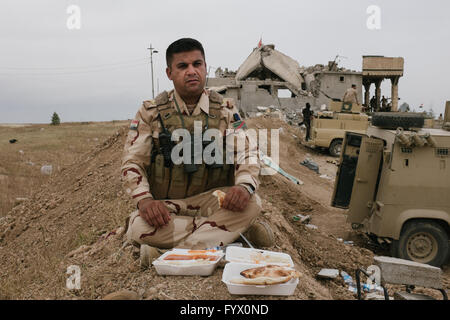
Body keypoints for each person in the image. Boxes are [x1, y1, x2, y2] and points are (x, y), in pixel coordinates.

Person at [121, 38, 268, 255]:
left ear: (205, 67)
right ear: (169, 73)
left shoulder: (226, 111)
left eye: (197, 64)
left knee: (252, 203)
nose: (191, 71)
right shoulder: (150, 113)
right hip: (168, 207)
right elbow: (133, 161)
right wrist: (145, 200)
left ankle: (176, 255)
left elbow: (247, 153)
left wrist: (243, 186)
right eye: (183, 66)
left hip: (214, 201)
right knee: (138, 228)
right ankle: (226, 233)